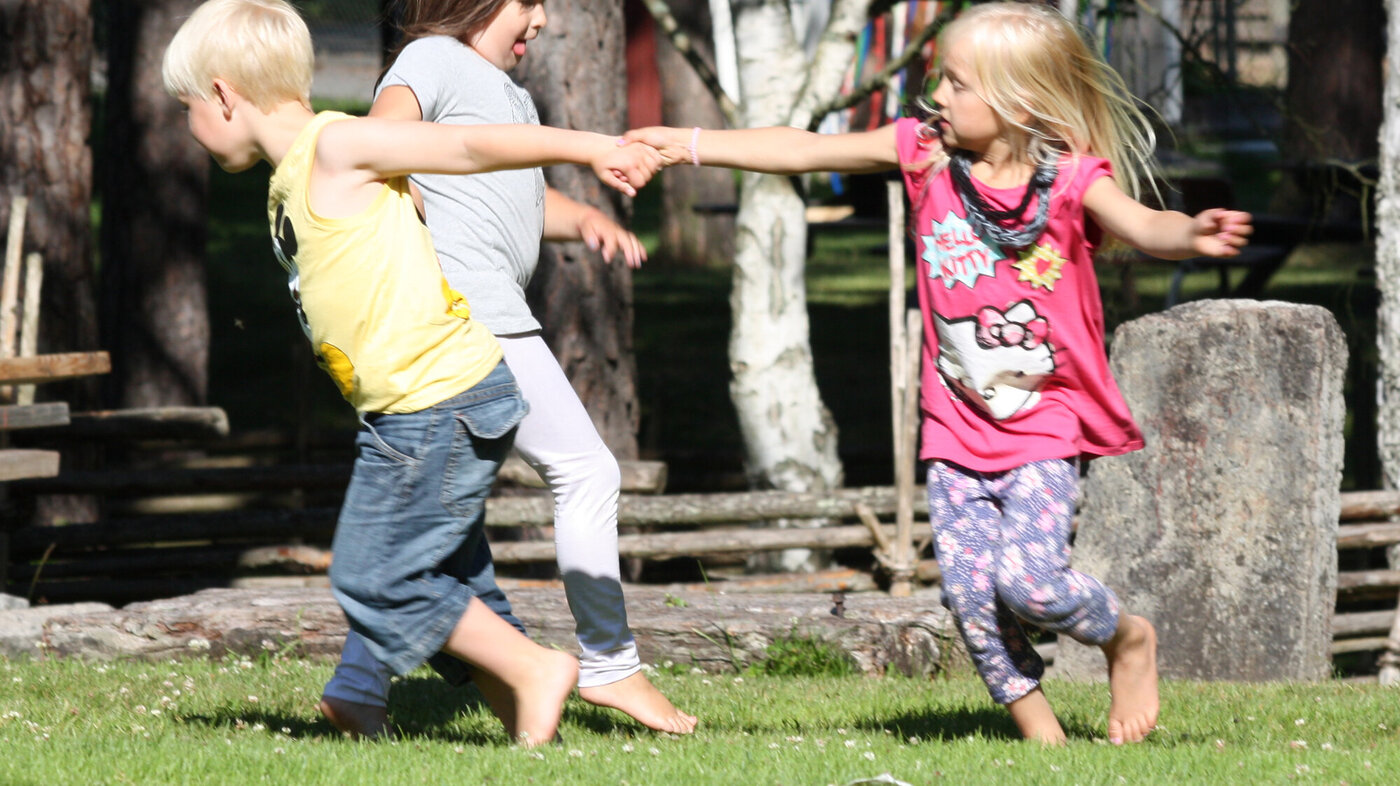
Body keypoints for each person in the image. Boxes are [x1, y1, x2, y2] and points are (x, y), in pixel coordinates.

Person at [626, 1, 1252, 745]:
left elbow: (1146, 225)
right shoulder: (924, 156)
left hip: (1042, 425)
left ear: (1019, 103)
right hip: (954, 428)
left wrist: (1192, 233)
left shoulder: (1072, 182)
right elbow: (801, 150)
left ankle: (1126, 638)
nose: (936, 98)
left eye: (956, 84)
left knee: (1030, 583)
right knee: (967, 594)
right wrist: (689, 142)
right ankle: (1044, 741)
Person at [161, 0, 664, 747]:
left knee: (376, 578)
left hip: (438, 401)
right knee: (454, 579)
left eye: (188, 106)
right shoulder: (301, 171)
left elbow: (463, 146)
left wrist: (593, 147)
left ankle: (534, 670)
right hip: (409, 408)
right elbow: (460, 195)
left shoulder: (336, 147)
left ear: (225, 93)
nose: (188, 125)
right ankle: (439, 708)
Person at [319, 0, 698, 739]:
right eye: (531, 2)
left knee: (434, 523)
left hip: (469, 317)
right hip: (473, 314)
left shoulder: (501, 89)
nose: (545, 20)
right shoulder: (431, 59)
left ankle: (358, 688)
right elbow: (383, 142)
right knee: (588, 472)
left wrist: (580, 217)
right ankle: (610, 665)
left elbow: (502, 196)